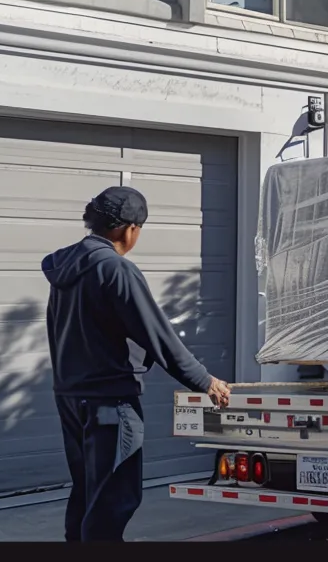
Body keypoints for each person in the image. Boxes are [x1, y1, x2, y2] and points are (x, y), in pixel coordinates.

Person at [42, 187, 232, 541]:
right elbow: (157, 335)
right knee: (114, 496)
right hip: (110, 402)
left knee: (89, 489)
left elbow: (57, 331)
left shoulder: (65, 269)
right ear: (129, 229)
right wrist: (204, 380)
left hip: (71, 397)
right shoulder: (116, 270)